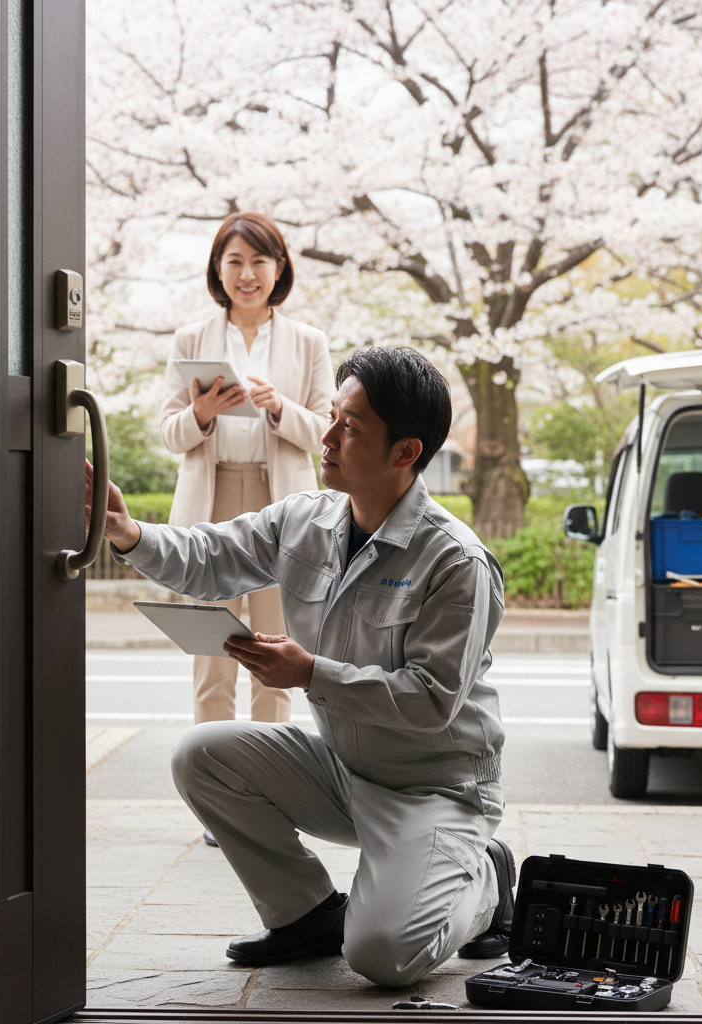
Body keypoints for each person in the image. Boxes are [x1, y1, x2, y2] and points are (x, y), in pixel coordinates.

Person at [90, 347, 514, 989]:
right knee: (200, 754)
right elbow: (209, 558)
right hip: (346, 768)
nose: (328, 435)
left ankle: (484, 878)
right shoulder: (305, 518)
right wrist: (126, 533)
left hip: (435, 789)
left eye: (352, 427)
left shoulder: (455, 562)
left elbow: (433, 701)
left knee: (383, 958)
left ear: (406, 452)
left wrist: (311, 673)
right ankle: (307, 913)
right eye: (334, 416)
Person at [159, 211, 335, 729]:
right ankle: (211, 765)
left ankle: (269, 773)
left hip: (282, 502)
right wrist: (202, 415)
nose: (247, 273)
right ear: (218, 270)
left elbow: (328, 431)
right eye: (233, 261)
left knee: (276, 649)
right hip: (211, 501)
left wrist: (279, 406)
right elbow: (170, 432)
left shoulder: (309, 341)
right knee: (211, 651)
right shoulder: (191, 339)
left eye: (259, 260)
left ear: (279, 268)